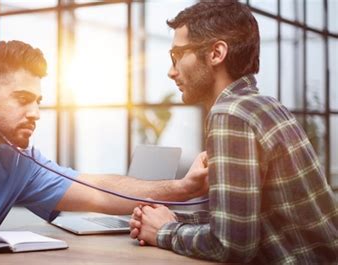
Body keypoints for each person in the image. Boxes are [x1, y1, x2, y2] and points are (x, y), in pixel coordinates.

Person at [0, 40, 209, 233]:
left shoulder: (17, 159)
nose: (36, 113)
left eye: (39, 102)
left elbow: (98, 191)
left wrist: (182, 188)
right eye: (23, 100)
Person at [129, 1, 338, 264]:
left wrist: (164, 231)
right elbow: (246, 224)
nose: (171, 71)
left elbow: (231, 246)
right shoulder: (264, 105)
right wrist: (173, 219)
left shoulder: (230, 114)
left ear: (216, 53)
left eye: (177, 56)